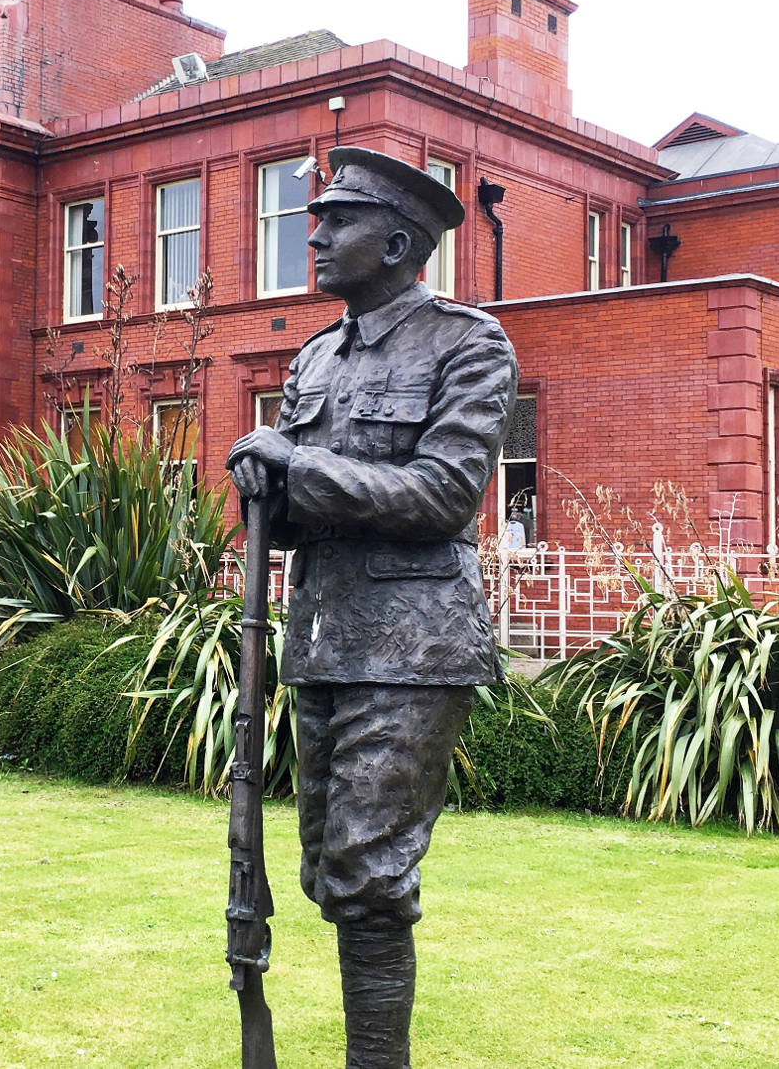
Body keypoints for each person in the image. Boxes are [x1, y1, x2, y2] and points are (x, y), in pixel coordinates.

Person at [227, 147, 517, 1069]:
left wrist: (295, 464)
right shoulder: (316, 358)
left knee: (369, 873)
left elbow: (442, 494)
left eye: (336, 220)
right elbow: (307, 507)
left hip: (413, 648)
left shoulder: (469, 344)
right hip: (325, 641)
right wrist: (262, 490)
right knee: (328, 874)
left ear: (397, 243)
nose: (312, 234)